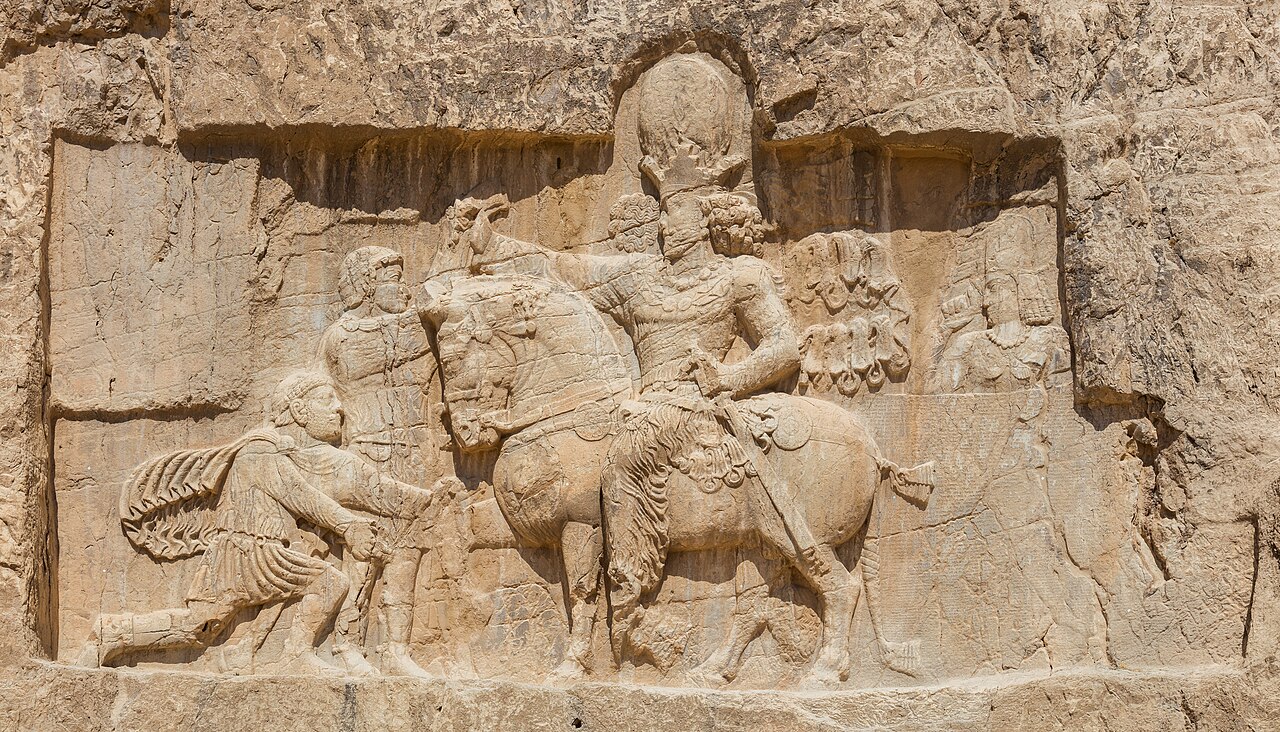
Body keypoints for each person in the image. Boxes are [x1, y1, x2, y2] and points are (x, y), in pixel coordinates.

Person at [449, 184, 820, 622]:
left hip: (693, 403)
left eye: (672, 214)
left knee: (624, 458)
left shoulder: (740, 277)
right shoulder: (639, 277)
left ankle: (628, 592)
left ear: (704, 223)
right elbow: (567, 269)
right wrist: (495, 246)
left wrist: (727, 378)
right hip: (638, 404)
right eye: (661, 216)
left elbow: (784, 347)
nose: (662, 225)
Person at [81, 371, 381, 674]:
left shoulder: (278, 450)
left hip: (244, 554)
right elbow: (300, 496)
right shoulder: (262, 449)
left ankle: (113, 632)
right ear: (299, 411)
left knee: (197, 626)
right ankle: (296, 655)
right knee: (329, 582)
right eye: (326, 399)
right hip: (252, 555)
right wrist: (347, 525)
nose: (339, 408)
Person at [319, 246, 458, 677]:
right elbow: (386, 355)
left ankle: (396, 648)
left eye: (400, 276)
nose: (400, 286)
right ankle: (347, 644)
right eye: (389, 279)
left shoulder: (409, 330)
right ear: (365, 286)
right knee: (364, 550)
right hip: (368, 452)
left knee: (410, 552)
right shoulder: (343, 338)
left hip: (415, 452)